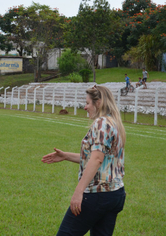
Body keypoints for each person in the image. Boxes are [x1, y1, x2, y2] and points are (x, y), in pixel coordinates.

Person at [42, 85, 126, 236]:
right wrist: (66, 156)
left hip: (97, 194)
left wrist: (78, 192)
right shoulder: (113, 122)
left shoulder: (101, 124)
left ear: (98, 102)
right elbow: (100, 159)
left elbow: (97, 159)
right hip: (114, 194)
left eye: (88, 103)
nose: (85, 107)